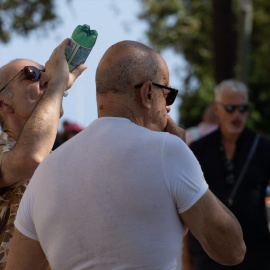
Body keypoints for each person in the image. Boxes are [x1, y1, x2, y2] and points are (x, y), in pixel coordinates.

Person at [6, 41, 245, 270]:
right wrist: (183, 159)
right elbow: (232, 250)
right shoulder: (168, 151)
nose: (169, 108)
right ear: (148, 93)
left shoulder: (45, 172)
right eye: (168, 95)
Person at [0, 39, 86, 268]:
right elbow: (31, 158)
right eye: (31, 74)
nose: (46, 78)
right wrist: (57, 83)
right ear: (3, 103)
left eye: (46, 73)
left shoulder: (67, 161)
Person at [183, 79, 270, 270]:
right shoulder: (198, 149)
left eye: (243, 108)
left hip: (256, 254)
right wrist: (185, 260)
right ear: (217, 108)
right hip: (207, 255)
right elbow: (185, 206)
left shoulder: (264, 148)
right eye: (231, 108)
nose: (238, 114)